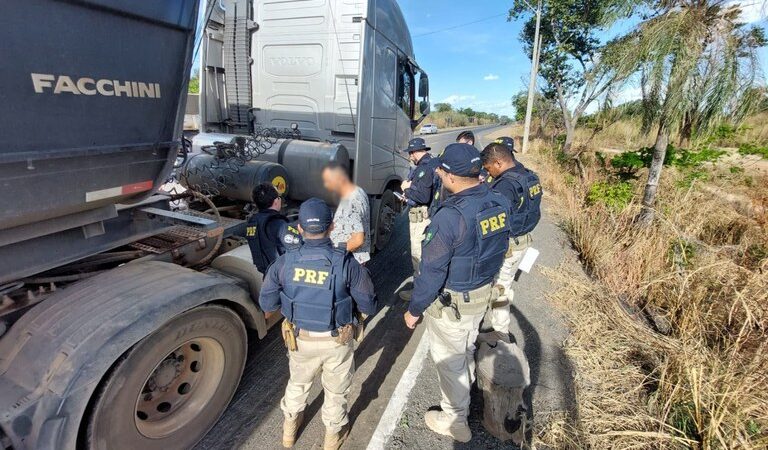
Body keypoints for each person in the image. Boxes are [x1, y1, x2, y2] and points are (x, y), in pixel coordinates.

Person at [403, 143, 511, 442]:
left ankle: (456, 421)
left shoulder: (449, 218)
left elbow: (431, 274)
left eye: (440, 170)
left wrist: (413, 311)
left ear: (449, 176)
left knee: (450, 361)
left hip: (455, 304)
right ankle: (465, 392)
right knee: (465, 348)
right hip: (481, 295)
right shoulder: (498, 201)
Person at [259, 198, 377, 450]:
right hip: (338, 340)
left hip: (300, 339)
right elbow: (368, 305)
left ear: (299, 228)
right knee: (336, 391)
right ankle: (332, 438)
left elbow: (267, 305)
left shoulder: (283, 263)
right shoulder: (346, 263)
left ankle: (289, 432)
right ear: (332, 226)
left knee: (298, 383)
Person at [480, 137, 543, 335]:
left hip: (509, 246)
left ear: (499, 162)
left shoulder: (505, 185)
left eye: (489, 168)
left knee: (500, 287)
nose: (489, 173)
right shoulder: (528, 175)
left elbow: (495, 218)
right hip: (524, 240)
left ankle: (500, 333)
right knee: (504, 283)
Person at [398, 137, 441, 301]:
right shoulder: (434, 162)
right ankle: (429, 289)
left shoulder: (424, 168)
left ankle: (420, 294)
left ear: (415, 152)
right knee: (430, 255)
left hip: (421, 218)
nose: (410, 157)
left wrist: (406, 189)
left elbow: (422, 196)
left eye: (410, 154)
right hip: (432, 215)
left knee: (418, 256)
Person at [322, 162, 371, 264]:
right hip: (355, 258)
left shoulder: (350, 203)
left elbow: (358, 239)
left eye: (328, 181)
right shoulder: (358, 191)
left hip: (348, 261)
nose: (326, 185)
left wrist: (335, 254)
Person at [246, 183, 301, 274]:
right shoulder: (277, 224)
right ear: (276, 201)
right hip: (283, 275)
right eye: (279, 197)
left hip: (267, 275)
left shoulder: (252, 222)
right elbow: (298, 247)